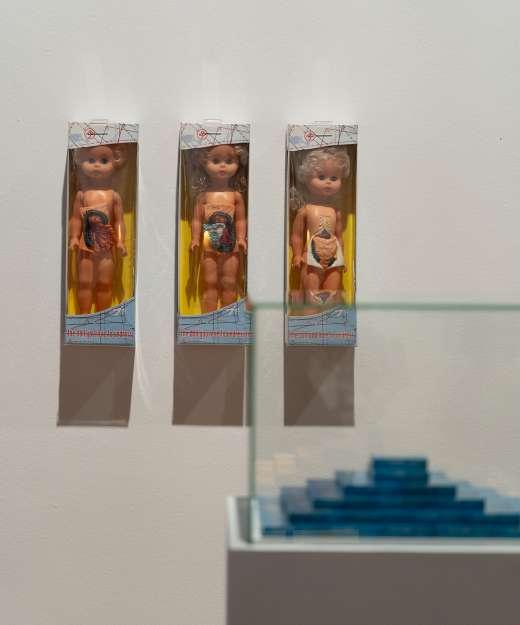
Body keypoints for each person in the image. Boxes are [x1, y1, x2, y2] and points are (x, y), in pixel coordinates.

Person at [290, 147, 350, 313]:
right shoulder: (306, 210)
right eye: (321, 177)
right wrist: (297, 254)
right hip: (311, 257)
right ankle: (309, 319)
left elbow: (339, 237)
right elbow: (296, 235)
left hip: (334, 257)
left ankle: (328, 319)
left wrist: (342, 257)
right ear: (306, 178)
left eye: (334, 178)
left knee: (332, 292)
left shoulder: (335, 211)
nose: (328, 182)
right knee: (311, 293)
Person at [68, 145, 127, 313]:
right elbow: (76, 219)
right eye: (91, 160)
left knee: (105, 284)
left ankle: (103, 316)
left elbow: (119, 221)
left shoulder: (113, 196)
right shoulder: (82, 195)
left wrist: (120, 241)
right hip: (85, 247)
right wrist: (74, 237)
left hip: (106, 247)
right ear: (81, 162)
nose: (96, 165)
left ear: (115, 162)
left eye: (104, 160)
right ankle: (84, 316)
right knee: (84, 283)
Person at [189, 144, 248, 313]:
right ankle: (208, 315)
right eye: (215, 161)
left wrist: (242, 238)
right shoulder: (203, 196)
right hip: (209, 245)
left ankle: (227, 315)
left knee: (229, 281)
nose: (222, 165)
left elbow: (241, 220)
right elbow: (196, 220)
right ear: (204, 162)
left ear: (238, 163)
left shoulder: (236, 196)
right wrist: (195, 239)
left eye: (229, 161)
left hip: (231, 246)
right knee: (210, 282)